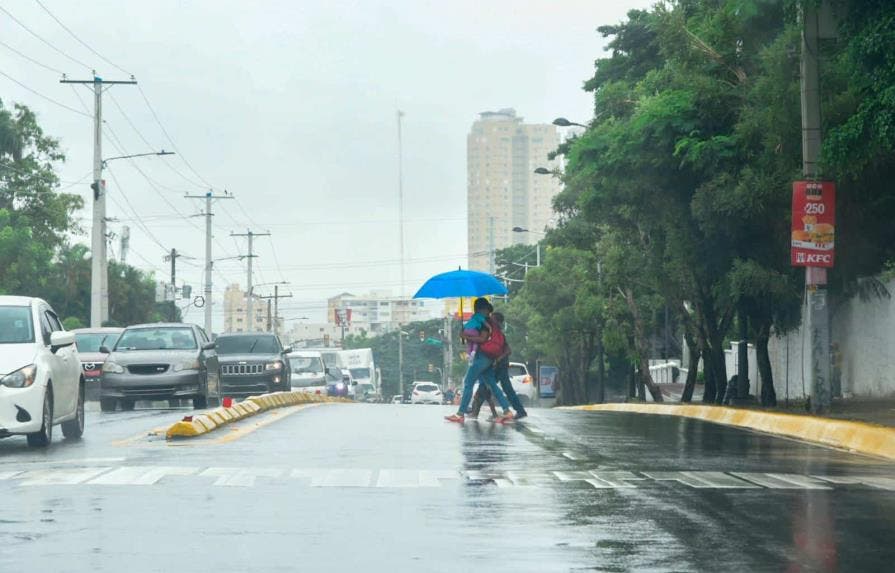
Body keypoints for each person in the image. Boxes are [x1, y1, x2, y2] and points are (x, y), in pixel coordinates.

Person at [444, 297, 514, 423]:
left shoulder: (484, 322)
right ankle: (507, 411)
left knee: (468, 382)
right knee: (492, 384)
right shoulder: (486, 321)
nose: (475, 310)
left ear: (480, 309)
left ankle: (460, 414)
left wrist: (465, 336)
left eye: (476, 308)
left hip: (483, 357)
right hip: (487, 357)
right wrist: (466, 336)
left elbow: (482, 339)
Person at [489, 312, 528, 419]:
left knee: (493, 387)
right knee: (491, 387)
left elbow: (508, 351)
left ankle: (518, 411)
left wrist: (498, 359)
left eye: (492, 319)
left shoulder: (500, 335)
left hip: (501, 366)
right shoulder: (494, 333)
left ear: (497, 321)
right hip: (498, 365)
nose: (490, 321)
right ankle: (519, 410)